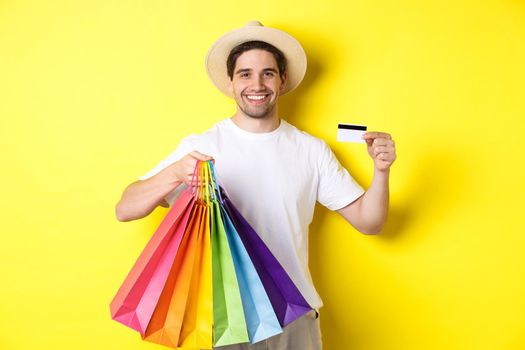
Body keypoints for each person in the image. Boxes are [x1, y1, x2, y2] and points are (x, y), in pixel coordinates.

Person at [116, 21, 396, 350]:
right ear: (231, 83)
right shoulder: (203, 145)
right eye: (245, 74)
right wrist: (176, 173)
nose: (257, 84)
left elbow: (370, 221)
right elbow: (125, 208)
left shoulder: (311, 150)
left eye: (267, 73)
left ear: (282, 79)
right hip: (227, 320)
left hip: (295, 317)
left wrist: (381, 171)